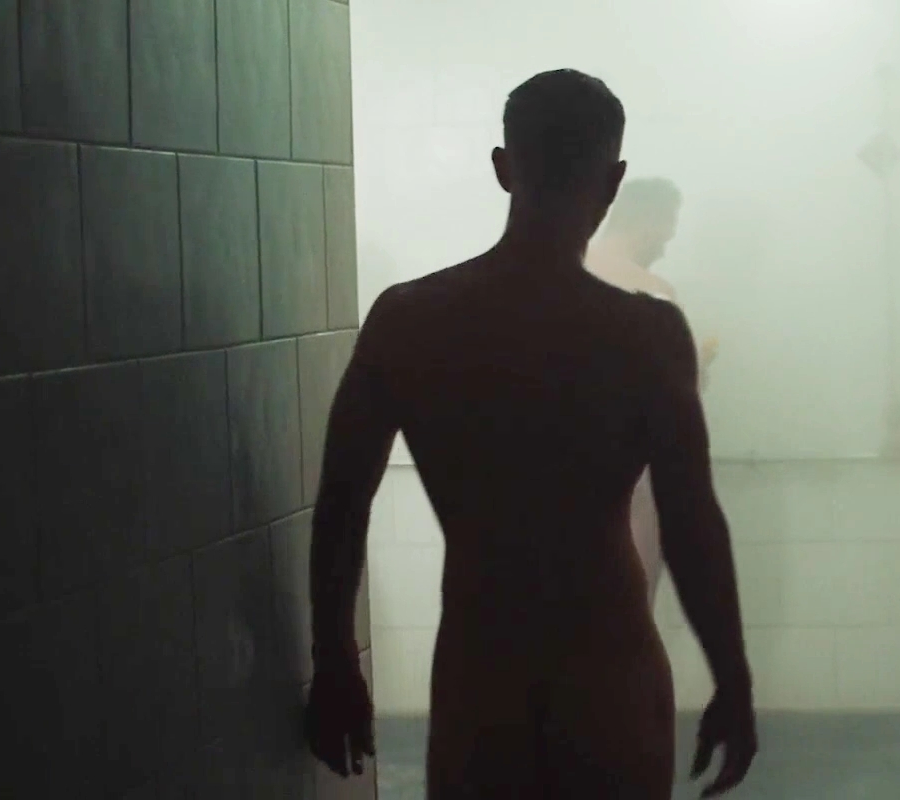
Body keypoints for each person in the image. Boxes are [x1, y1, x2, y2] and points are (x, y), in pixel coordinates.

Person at [301, 69, 757, 799]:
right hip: (609, 668)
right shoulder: (646, 335)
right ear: (612, 182)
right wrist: (732, 680)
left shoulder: (409, 320)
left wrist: (334, 663)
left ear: (503, 168)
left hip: (482, 670)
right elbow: (692, 521)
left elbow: (341, 506)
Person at [585, 177, 721, 605]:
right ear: (647, 223)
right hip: (634, 482)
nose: (665, 247)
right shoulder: (652, 293)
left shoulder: (553, 277)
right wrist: (699, 367)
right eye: (666, 232)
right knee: (629, 612)